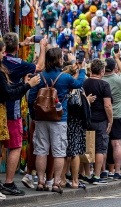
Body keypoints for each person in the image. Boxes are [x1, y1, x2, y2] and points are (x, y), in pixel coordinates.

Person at [28, 47, 86, 193]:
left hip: (41, 117)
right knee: (59, 151)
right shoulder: (65, 78)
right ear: (59, 60)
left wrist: (34, 115)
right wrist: (83, 69)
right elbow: (79, 84)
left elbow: (31, 98)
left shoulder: (40, 77)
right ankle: (55, 183)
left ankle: (41, 182)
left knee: (41, 150)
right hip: (60, 118)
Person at [1, 34, 45, 195]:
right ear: (16, 48)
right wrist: (43, 47)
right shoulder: (17, 63)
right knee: (15, 146)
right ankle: (9, 182)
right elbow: (39, 67)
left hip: (2, 109)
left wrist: (22, 43)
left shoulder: (2, 58)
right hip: (11, 109)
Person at [82, 59, 113, 185]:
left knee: (86, 147)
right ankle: (97, 175)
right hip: (100, 120)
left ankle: (86, 174)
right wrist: (110, 121)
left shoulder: (84, 83)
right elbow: (108, 106)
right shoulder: (104, 85)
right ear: (101, 71)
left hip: (86, 119)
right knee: (99, 149)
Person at [102, 56, 121, 179]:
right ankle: (117, 171)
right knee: (116, 144)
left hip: (103, 116)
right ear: (114, 68)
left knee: (102, 145)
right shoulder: (119, 80)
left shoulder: (100, 80)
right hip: (117, 115)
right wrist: (118, 58)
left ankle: (103, 171)